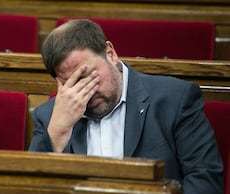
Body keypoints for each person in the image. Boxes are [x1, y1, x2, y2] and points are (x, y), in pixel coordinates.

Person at [29, 19, 223, 193]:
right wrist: (57, 132)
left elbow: (205, 180)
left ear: (110, 54)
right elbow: (29, 188)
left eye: (87, 76)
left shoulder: (174, 99)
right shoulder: (49, 118)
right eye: (71, 82)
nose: (85, 91)